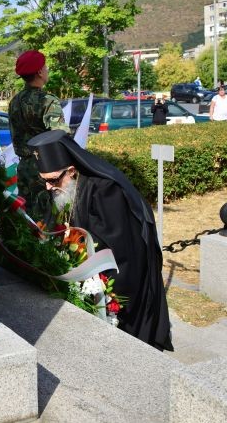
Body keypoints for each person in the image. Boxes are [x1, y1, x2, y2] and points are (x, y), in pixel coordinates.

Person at [26, 130, 174, 351]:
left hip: (122, 275)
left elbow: (117, 248)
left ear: (72, 171)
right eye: (43, 180)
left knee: (127, 345)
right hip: (86, 271)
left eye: (52, 180)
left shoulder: (105, 190)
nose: (48, 187)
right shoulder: (63, 187)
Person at [8, 50, 68, 217]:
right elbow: (60, 136)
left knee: (29, 219)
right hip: (47, 168)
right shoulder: (47, 100)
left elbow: (15, 135)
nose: (47, 70)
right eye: (45, 67)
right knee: (52, 218)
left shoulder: (15, 102)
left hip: (24, 168)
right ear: (40, 72)